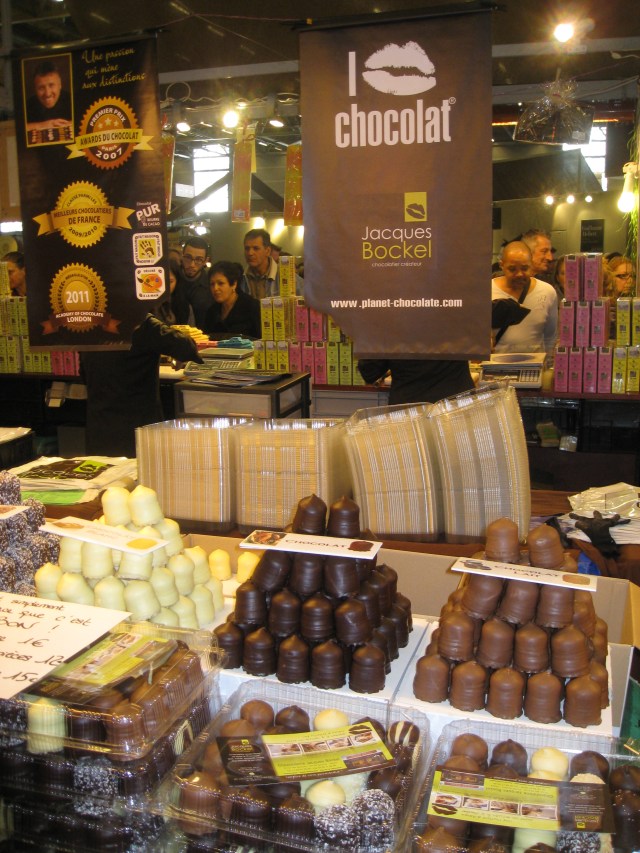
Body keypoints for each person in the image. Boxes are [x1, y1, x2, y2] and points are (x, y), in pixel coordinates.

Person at [80, 313, 201, 458]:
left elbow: (84, 373)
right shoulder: (141, 323)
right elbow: (186, 348)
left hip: (99, 429)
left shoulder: (87, 323)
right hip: (138, 430)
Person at [491, 240, 558, 357]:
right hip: (494, 364)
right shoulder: (487, 291)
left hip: (535, 365)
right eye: (512, 269)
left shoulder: (547, 292)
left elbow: (550, 337)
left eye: (524, 268)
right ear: (502, 265)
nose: (519, 274)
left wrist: (548, 362)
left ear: (531, 265)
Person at [357, 358, 475, 405]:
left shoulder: (391, 318)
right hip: (457, 403)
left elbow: (370, 372)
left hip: (410, 409)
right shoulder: (458, 312)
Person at [203, 260, 261, 339]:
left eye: (220, 283)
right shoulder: (212, 311)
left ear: (234, 284)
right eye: (212, 284)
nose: (215, 288)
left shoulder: (252, 307)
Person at [240, 228, 302, 298]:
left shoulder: (287, 277)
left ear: (268, 251)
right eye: (247, 248)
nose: (250, 253)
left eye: (256, 248)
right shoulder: (241, 278)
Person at [175, 235, 213, 328]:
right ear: (182, 255)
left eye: (198, 260)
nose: (192, 264)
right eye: (188, 257)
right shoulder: (173, 279)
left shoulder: (211, 285)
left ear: (206, 261)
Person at [25, 59, 72, 133]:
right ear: (35, 89)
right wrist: (43, 125)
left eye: (51, 85)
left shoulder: (72, 100)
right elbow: (18, 127)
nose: (47, 94)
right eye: (41, 88)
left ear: (60, 84)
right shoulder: (27, 106)